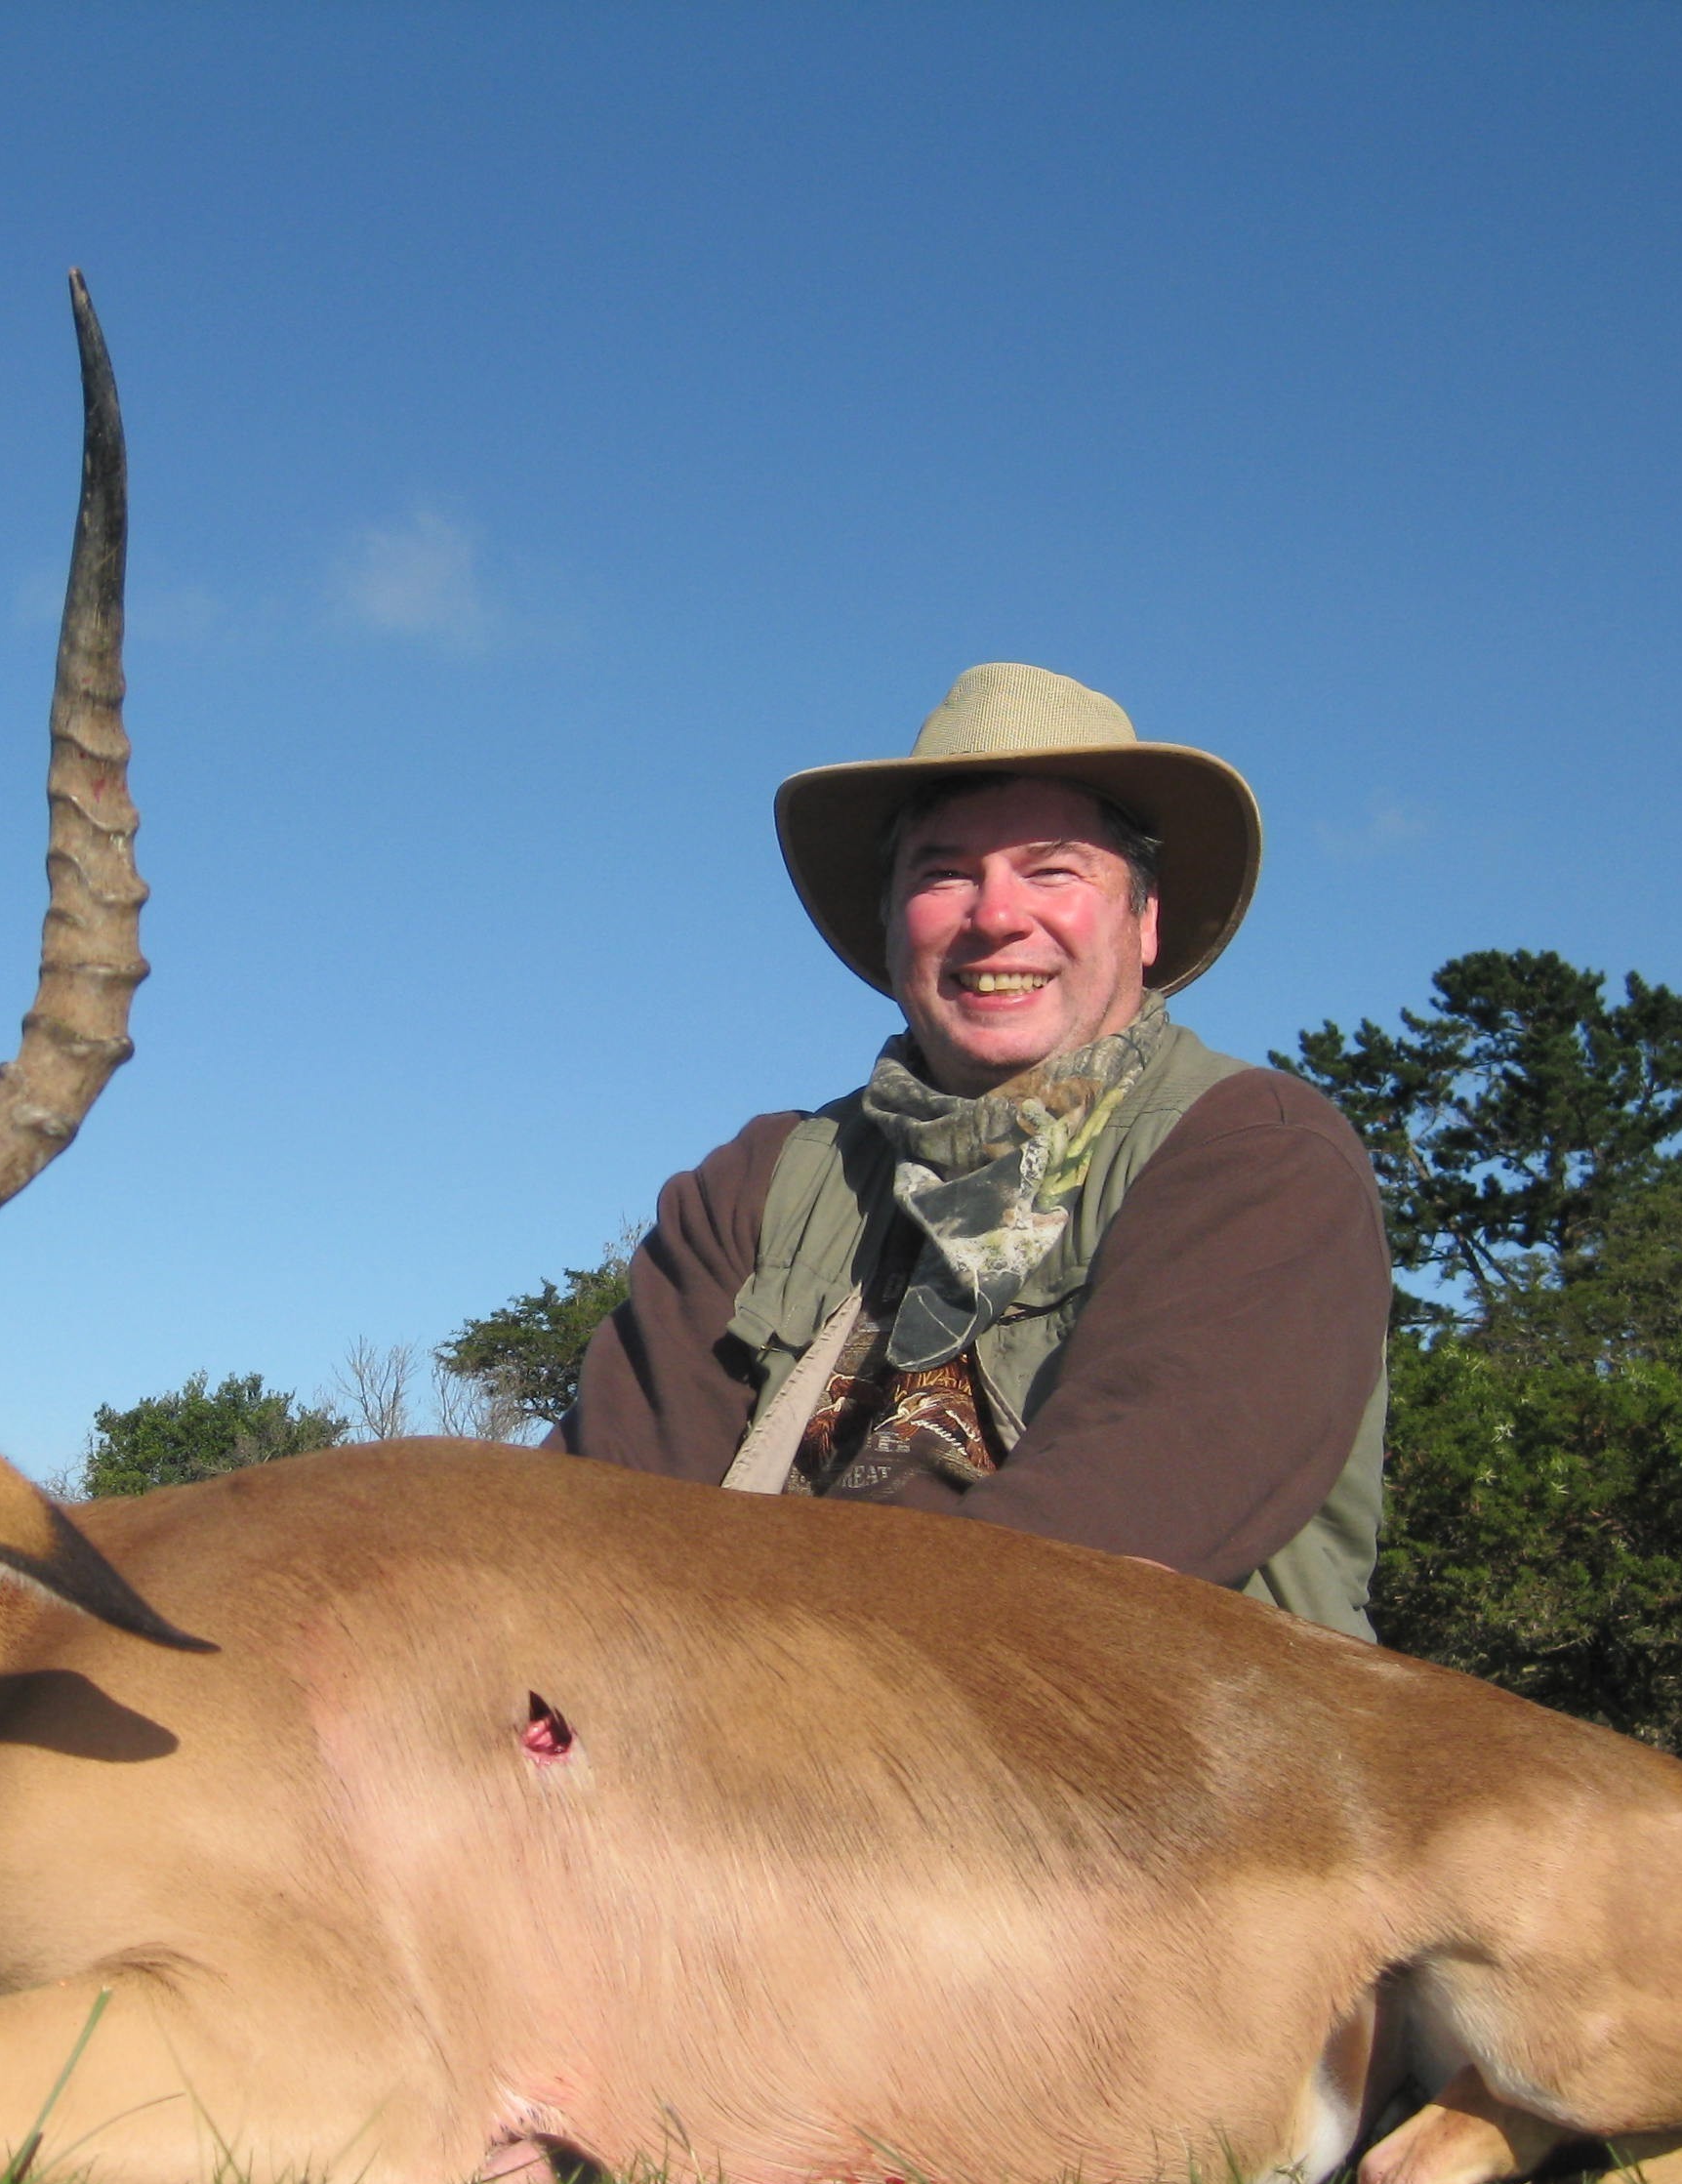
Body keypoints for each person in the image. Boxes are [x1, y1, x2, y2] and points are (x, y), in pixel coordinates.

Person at [557, 661, 1390, 1637]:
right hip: (728, 1740)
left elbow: (1090, 1556)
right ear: (890, 919)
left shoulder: (1254, 1155)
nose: (995, 916)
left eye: (1053, 869)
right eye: (945, 872)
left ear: (1146, 919)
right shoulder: (758, 1181)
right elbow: (593, 1523)